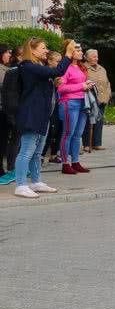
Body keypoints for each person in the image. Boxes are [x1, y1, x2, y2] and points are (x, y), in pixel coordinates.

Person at [13, 37, 73, 198]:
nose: (46, 50)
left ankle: (36, 181)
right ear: (32, 50)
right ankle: (20, 185)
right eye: (43, 48)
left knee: (37, 151)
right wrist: (67, 54)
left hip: (42, 114)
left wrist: (53, 83)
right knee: (26, 151)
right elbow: (58, 70)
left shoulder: (37, 67)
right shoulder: (28, 66)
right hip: (31, 115)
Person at [57, 43, 96, 175]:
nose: (80, 52)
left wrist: (88, 84)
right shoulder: (64, 68)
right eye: (77, 50)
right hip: (69, 103)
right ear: (70, 52)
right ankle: (65, 163)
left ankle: (75, 161)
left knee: (78, 134)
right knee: (68, 133)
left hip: (82, 103)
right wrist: (81, 86)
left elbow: (81, 84)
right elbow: (61, 88)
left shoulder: (80, 67)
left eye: (81, 49)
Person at [82, 49, 111, 151]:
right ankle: (86, 144)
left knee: (99, 121)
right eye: (93, 56)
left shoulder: (101, 68)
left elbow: (107, 83)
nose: (96, 58)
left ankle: (97, 143)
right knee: (88, 121)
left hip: (102, 99)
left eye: (97, 56)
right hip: (90, 99)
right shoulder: (83, 68)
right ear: (86, 57)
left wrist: (108, 95)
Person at [0, 45, 13, 177]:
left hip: (4, 109)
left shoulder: (6, 69)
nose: (9, 55)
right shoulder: (2, 70)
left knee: (4, 140)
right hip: (2, 109)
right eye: (7, 53)